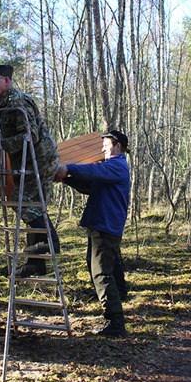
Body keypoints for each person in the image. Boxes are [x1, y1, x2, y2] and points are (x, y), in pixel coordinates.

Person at [0, 64, 60, 277]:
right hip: (27, 162)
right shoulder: (6, 102)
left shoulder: (17, 101)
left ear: (6, 80)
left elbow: (30, 136)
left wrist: (2, 143)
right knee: (32, 204)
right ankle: (36, 263)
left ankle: (50, 240)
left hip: (39, 160)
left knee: (21, 201)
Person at [55, 130, 131, 336]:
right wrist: (66, 178)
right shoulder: (111, 168)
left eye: (105, 144)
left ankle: (115, 322)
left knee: (100, 273)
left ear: (116, 145)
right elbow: (89, 185)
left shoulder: (117, 166)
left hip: (105, 228)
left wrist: (67, 168)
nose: (102, 148)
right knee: (106, 267)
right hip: (102, 226)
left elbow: (93, 173)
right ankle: (119, 299)